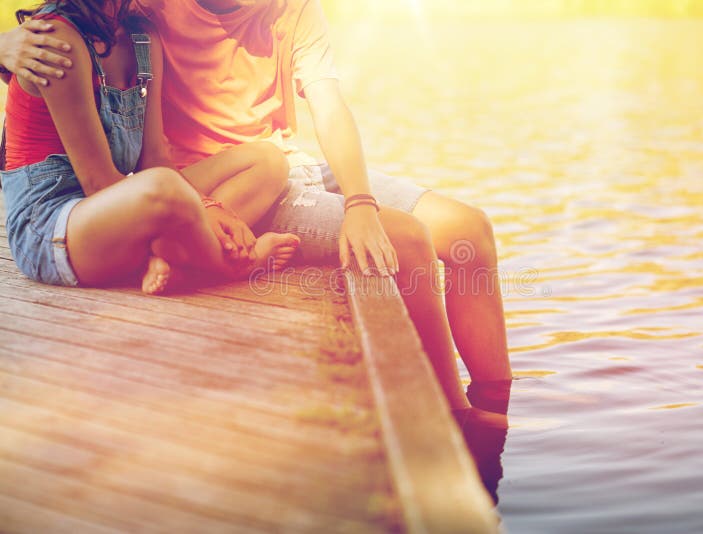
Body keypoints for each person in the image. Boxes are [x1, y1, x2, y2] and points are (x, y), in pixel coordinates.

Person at [0, 0, 513, 417]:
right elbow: (62, 47)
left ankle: (498, 406)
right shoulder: (150, 10)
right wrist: (5, 43)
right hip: (201, 186)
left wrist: (359, 201)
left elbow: (329, 106)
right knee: (403, 238)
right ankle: (450, 420)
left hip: (273, 165)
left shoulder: (276, 11)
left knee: (470, 230)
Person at [0, 0, 300, 296]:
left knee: (266, 160)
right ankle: (231, 266)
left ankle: (174, 257)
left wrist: (205, 204)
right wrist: (203, 209)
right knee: (165, 188)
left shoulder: (141, 36)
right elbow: (98, 182)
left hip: (119, 206)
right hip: (53, 229)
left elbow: (155, 159)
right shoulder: (56, 38)